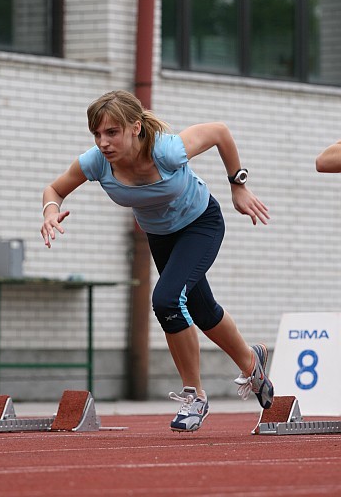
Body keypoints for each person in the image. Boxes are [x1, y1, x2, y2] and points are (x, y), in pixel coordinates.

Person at [40, 90, 274, 432]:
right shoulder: (95, 161)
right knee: (203, 310)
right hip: (161, 236)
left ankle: (195, 396)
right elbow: (54, 189)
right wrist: (50, 212)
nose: (103, 142)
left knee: (167, 301)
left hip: (200, 224)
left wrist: (237, 185)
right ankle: (252, 362)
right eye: (97, 134)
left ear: (135, 128)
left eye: (111, 133)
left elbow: (220, 131)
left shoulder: (167, 149)